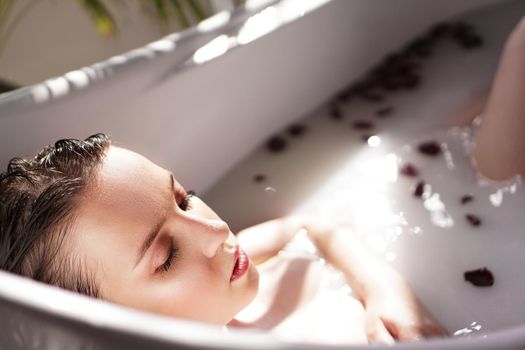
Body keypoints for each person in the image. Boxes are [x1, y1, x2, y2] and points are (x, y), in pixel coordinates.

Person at [1, 15, 524, 346]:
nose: (212, 232)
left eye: (183, 199)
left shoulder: (227, 277)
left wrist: (384, 289)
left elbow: (309, 227)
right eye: (167, 257)